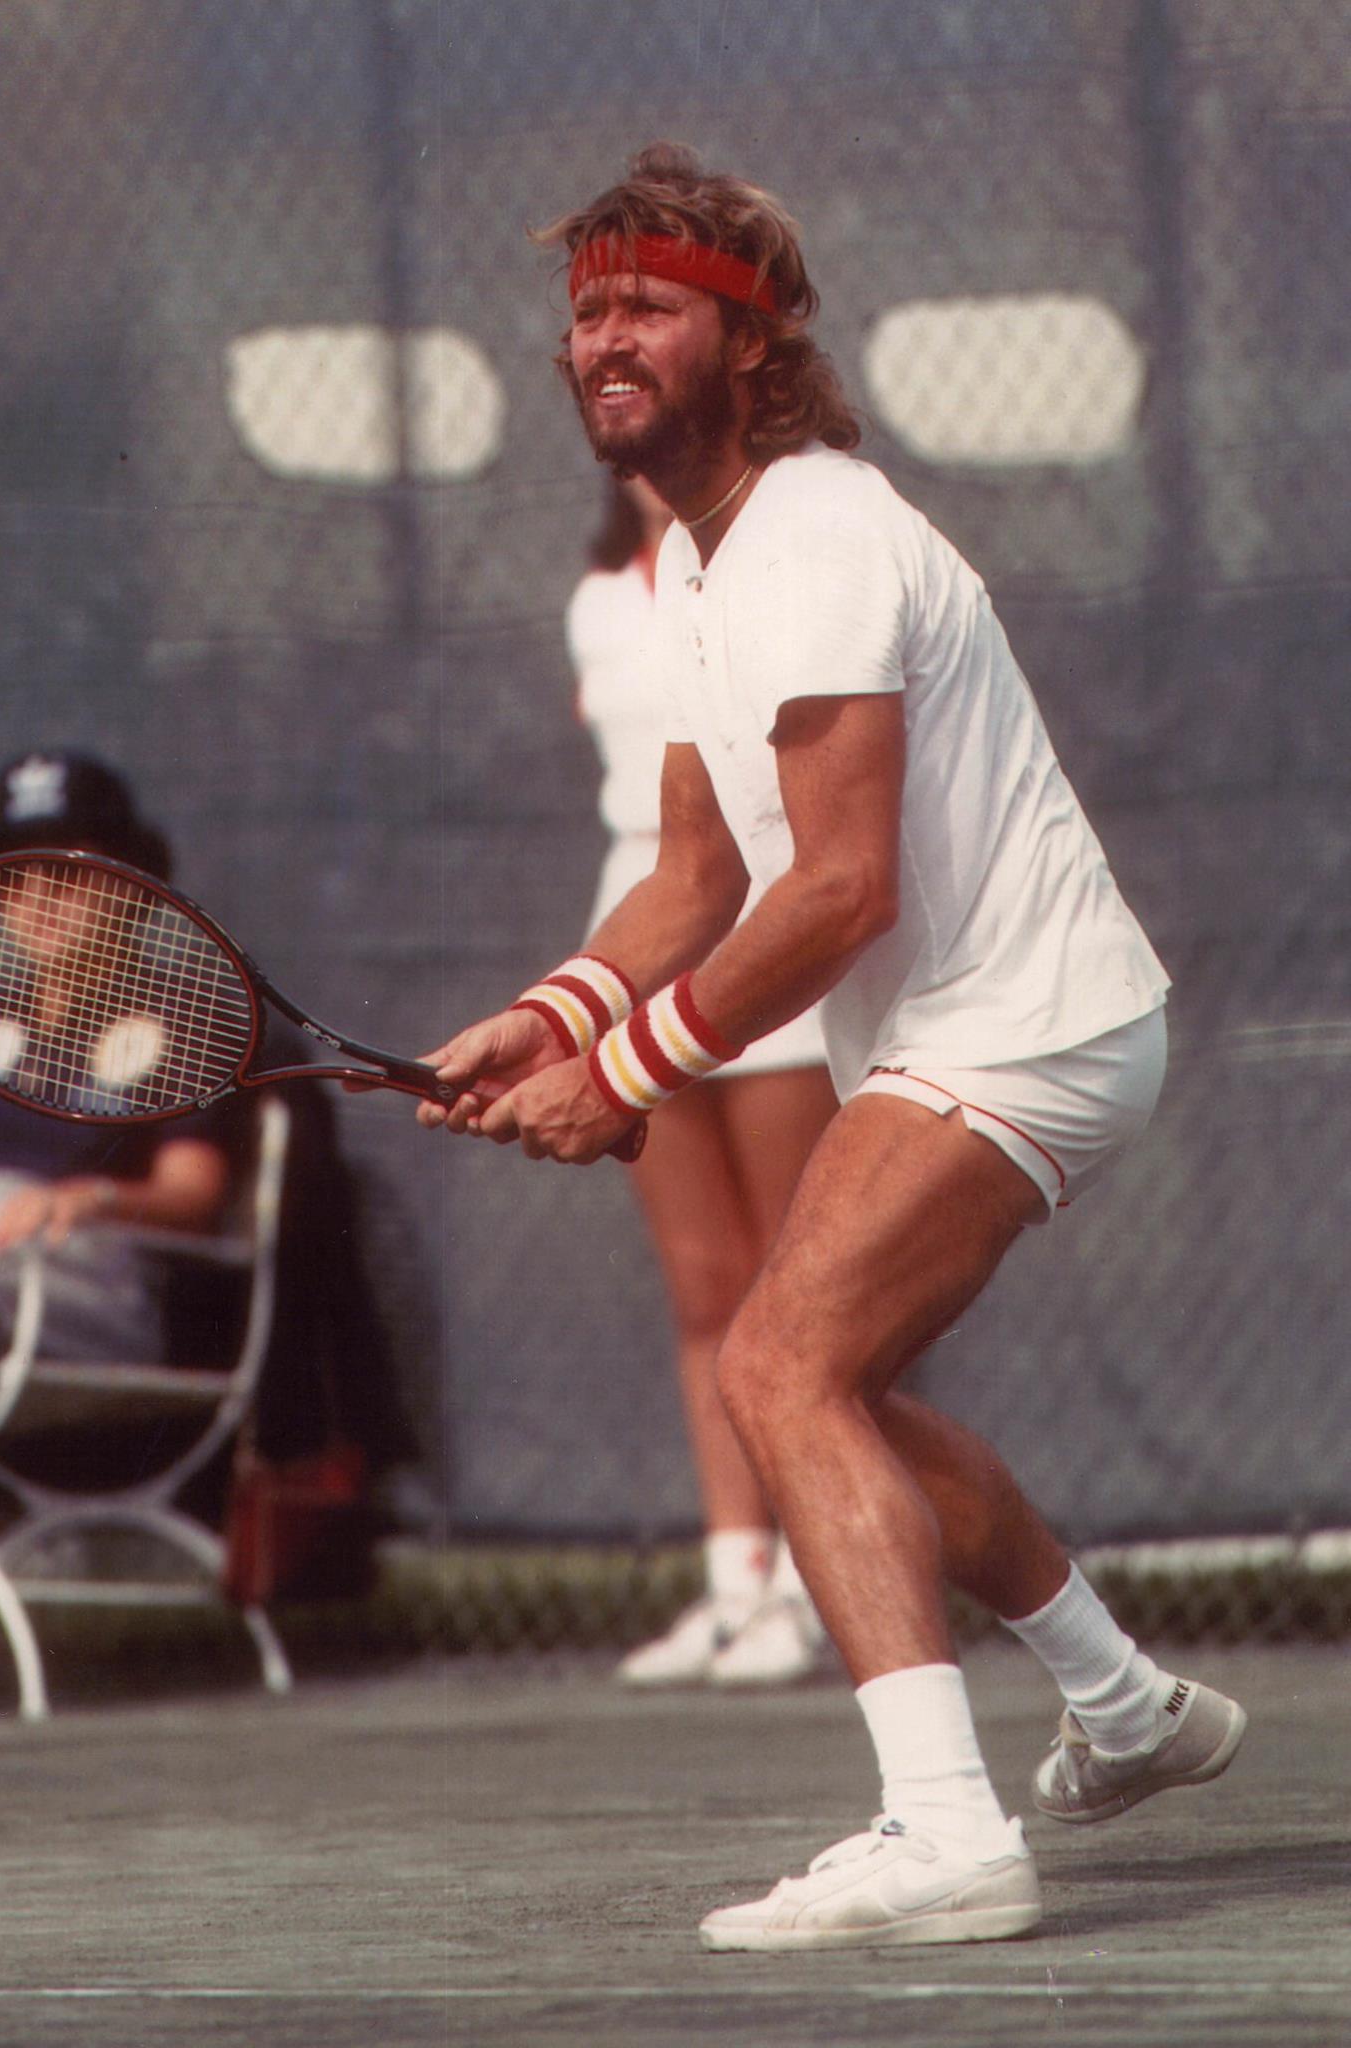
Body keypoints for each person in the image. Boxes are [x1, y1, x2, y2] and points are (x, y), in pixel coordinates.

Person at [417, 143, 1248, 1951]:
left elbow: (842, 885)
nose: (600, 341)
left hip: (1020, 1020)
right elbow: (696, 873)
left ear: (753, 340)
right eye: (583, 314)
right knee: (828, 1388)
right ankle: (1123, 1709)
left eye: (646, 308)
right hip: (986, 1024)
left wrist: (624, 1078)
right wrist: (554, 1014)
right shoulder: (693, 562)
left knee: (778, 1360)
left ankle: (946, 1830)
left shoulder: (812, 535)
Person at [569, 473, 837, 1686]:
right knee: (701, 1284)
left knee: (799, 1281)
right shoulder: (592, 598)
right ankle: (735, 1580)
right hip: (637, 925)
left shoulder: (772, 569)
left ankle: (812, 1584)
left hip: (765, 918)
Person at [0, 751, 256, 1547]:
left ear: (130, 885)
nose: (39, 898)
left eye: (67, 872)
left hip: (73, 1275)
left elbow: (193, 1194)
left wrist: (89, 1199)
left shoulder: (186, 1020)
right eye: (15, 877)